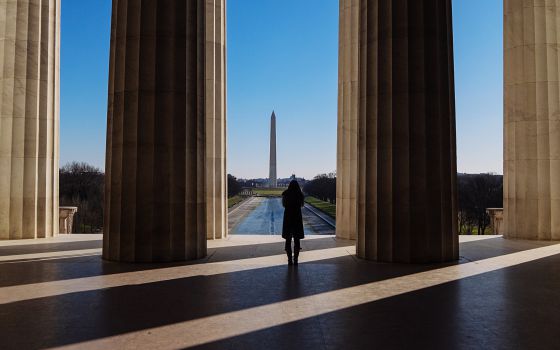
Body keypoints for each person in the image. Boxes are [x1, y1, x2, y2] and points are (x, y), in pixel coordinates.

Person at [282, 180, 305, 265]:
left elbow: (284, 205)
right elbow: (301, 205)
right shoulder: (300, 195)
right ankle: (295, 260)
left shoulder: (286, 194)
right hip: (297, 218)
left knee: (288, 240)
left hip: (288, 218)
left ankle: (289, 260)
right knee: (297, 239)